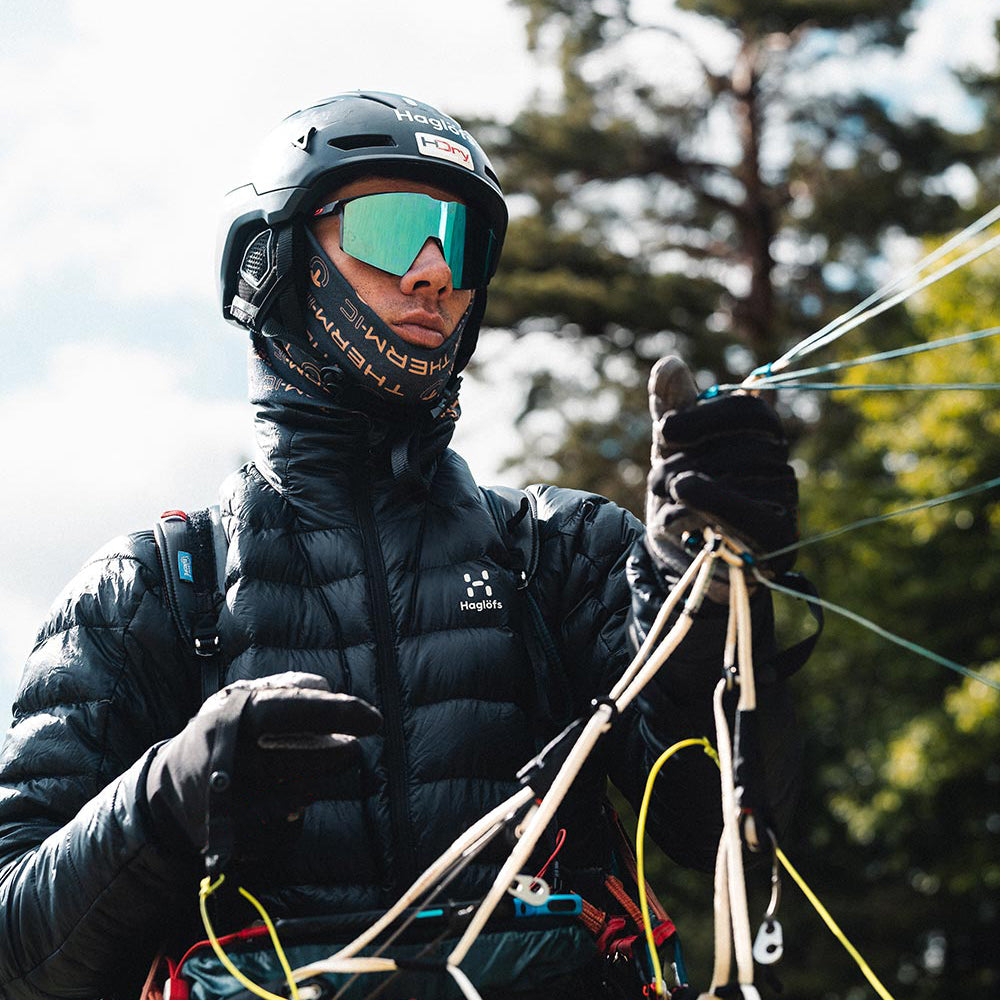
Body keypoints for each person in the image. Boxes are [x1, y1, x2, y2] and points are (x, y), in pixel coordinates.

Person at [0, 92, 803, 1000]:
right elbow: (16, 958)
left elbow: (731, 832)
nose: (433, 271)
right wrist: (168, 804)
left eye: (461, 244)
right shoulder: (143, 591)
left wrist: (716, 600)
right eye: (392, 227)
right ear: (277, 260)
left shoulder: (566, 552)